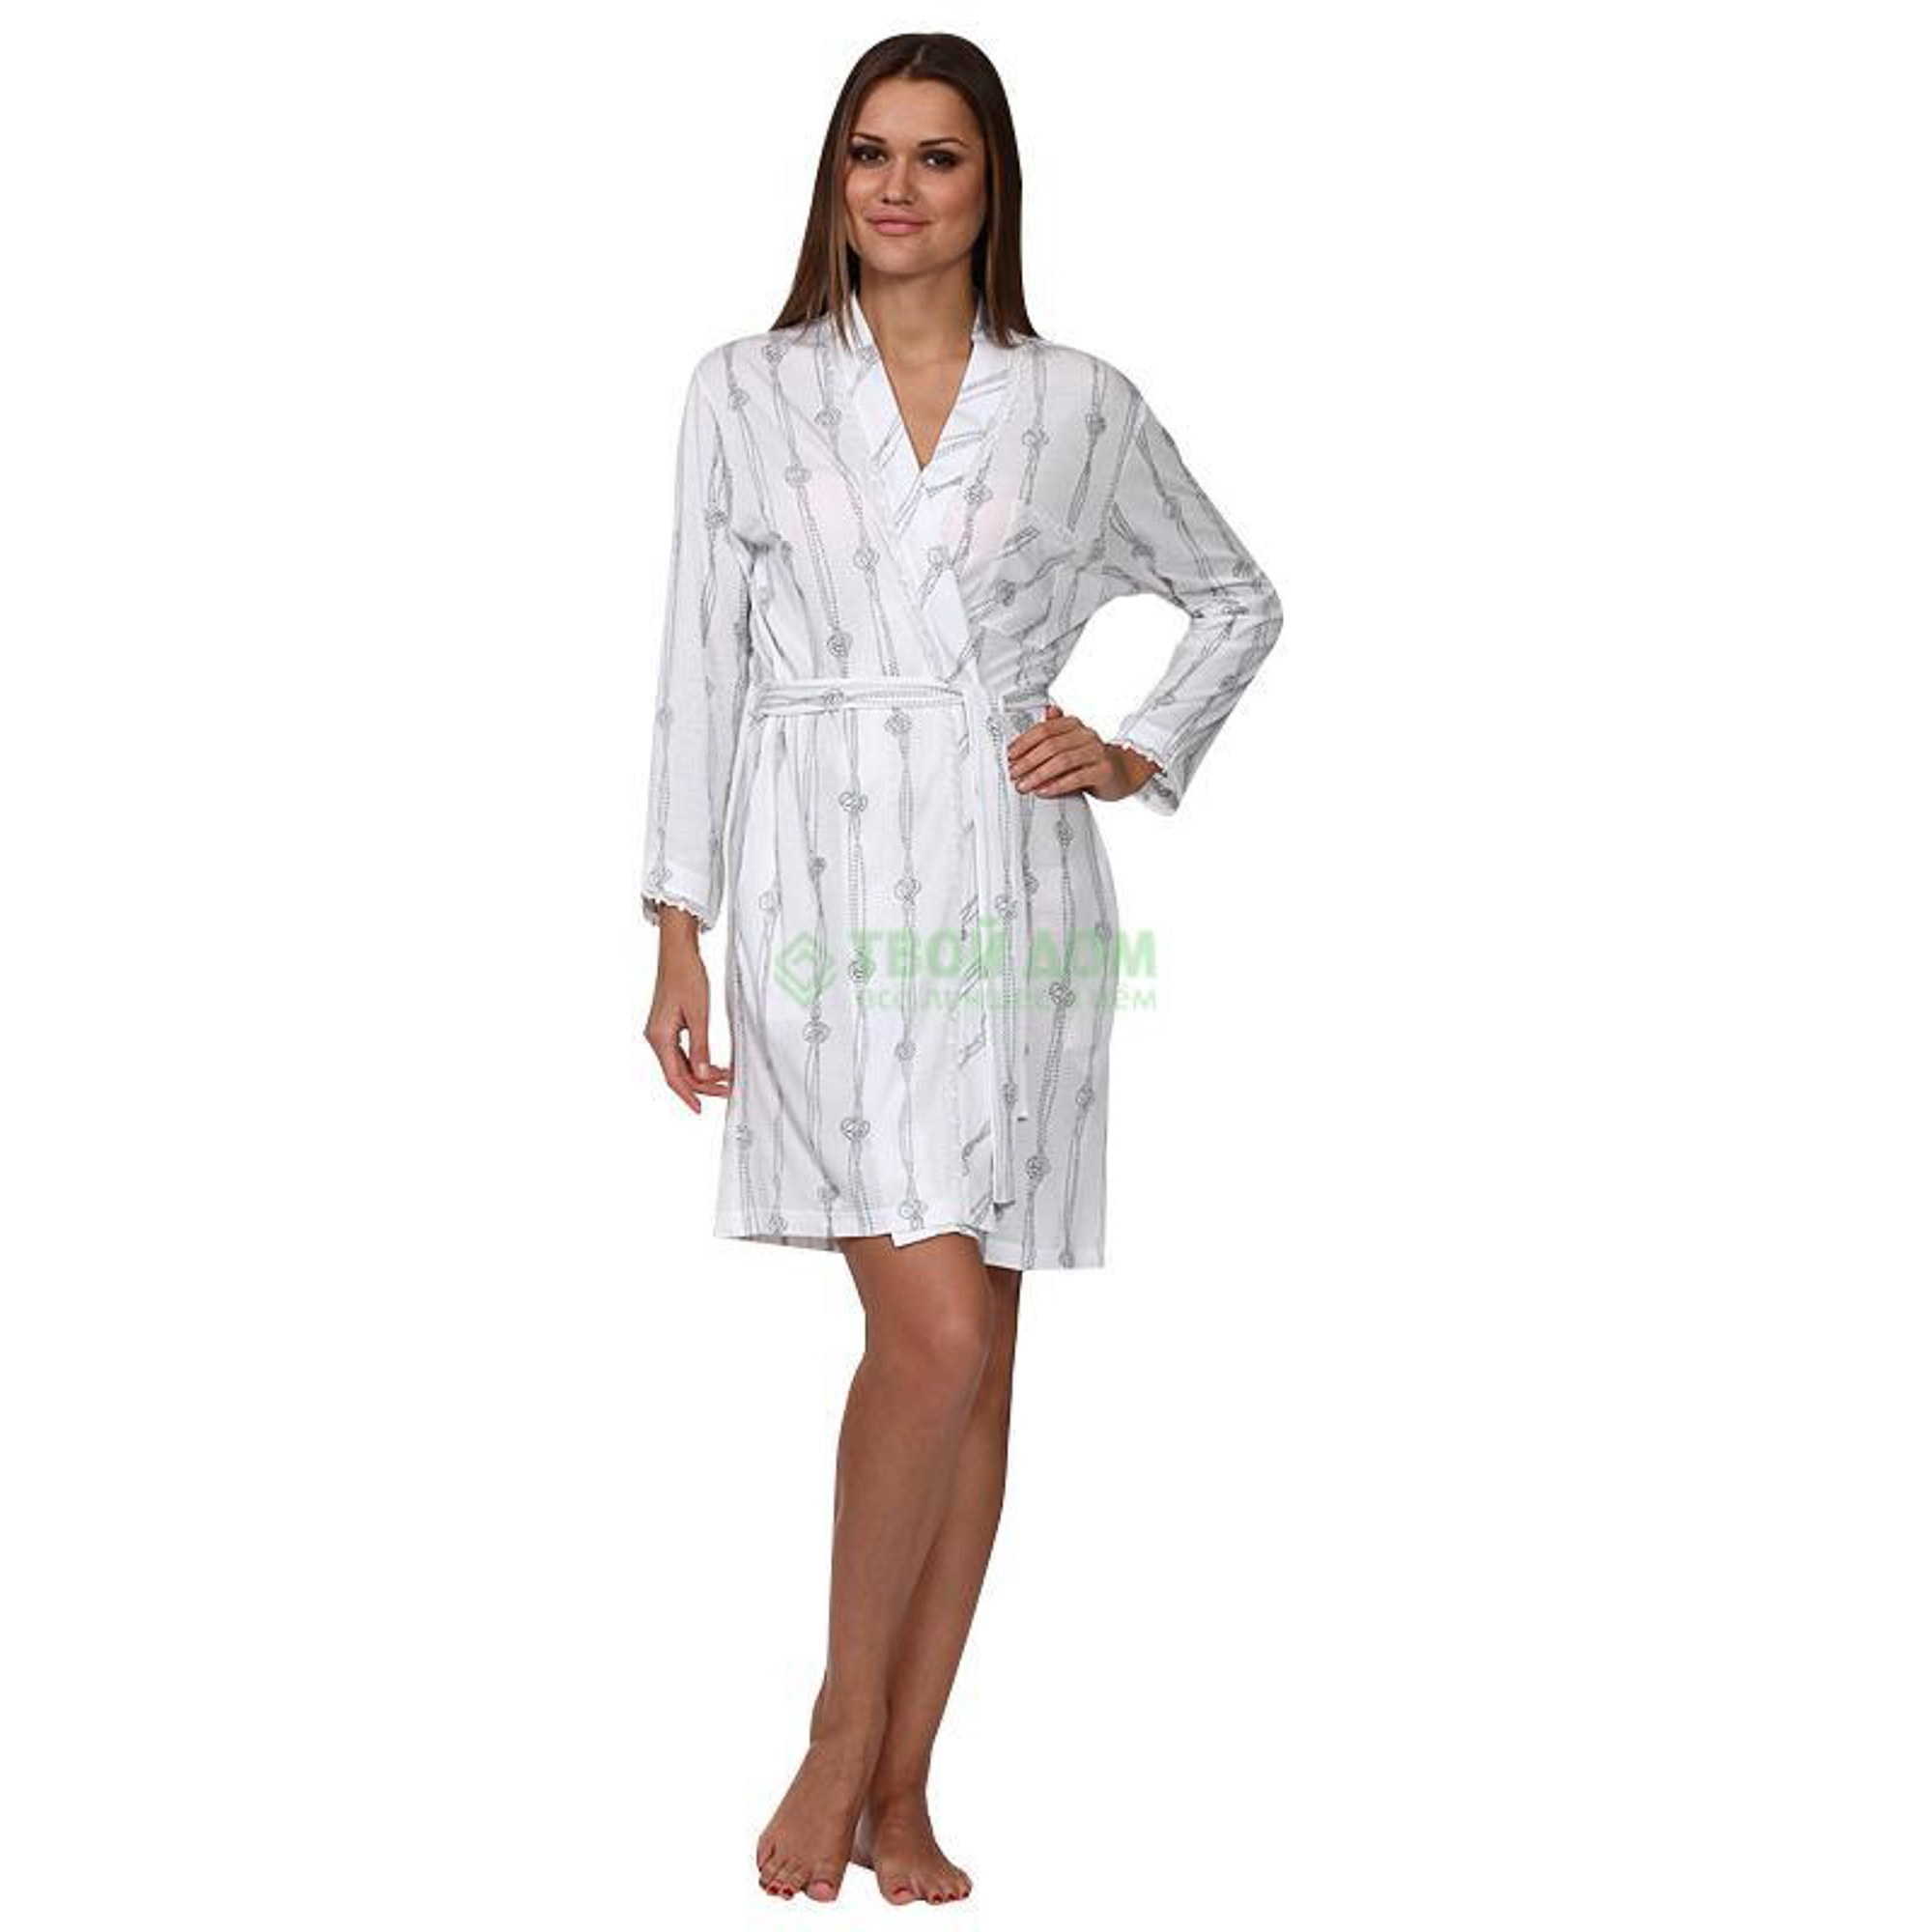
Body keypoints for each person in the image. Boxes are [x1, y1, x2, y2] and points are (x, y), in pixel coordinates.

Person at [639, 31, 1282, 1906]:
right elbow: (697, 653)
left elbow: (1236, 594)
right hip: (819, 886)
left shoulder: (1076, 403)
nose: (898, 188)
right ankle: (838, 1731)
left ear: (992, 184)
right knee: (924, 1334)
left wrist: (1136, 746)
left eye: (936, 156)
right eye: (869, 153)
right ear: (831, 180)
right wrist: (677, 919)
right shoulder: (748, 388)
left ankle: (902, 1791)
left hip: (1011, 895)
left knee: (980, 1360)